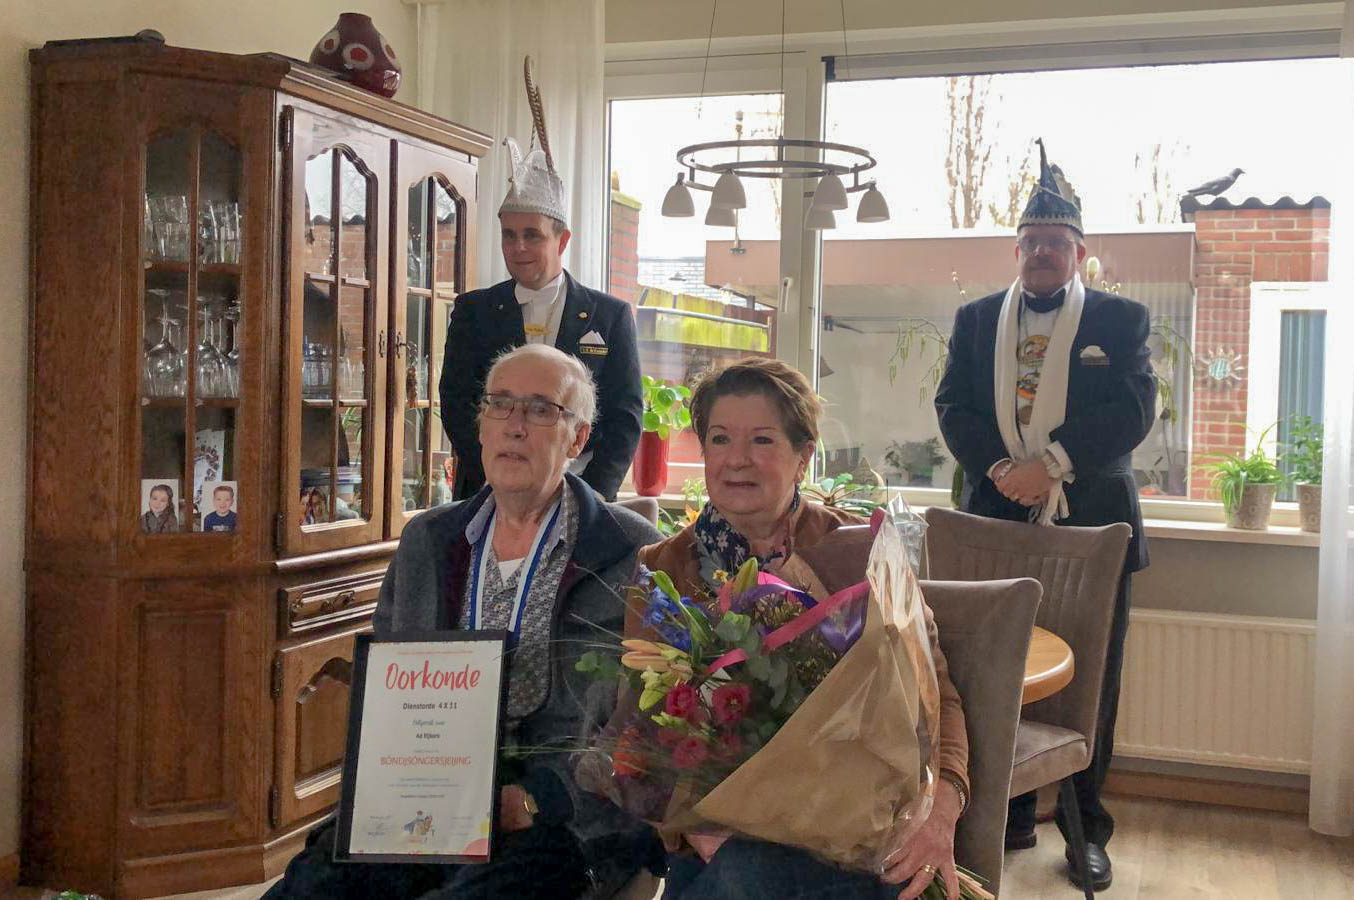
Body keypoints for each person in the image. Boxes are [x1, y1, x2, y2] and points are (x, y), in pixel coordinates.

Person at [266, 344, 662, 900]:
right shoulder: (428, 540)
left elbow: (646, 727)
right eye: (500, 404)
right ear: (480, 425)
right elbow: (384, 696)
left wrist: (538, 801)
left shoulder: (631, 552)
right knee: (310, 887)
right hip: (425, 796)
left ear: (578, 438)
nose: (515, 425)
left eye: (540, 409)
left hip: (557, 816)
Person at [634, 358, 971, 900]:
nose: (737, 459)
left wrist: (942, 811)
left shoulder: (860, 553)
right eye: (720, 439)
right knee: (745, 874)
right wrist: (696, 829)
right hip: (723, 837)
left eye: (762, 440)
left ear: (804, 456)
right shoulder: (662, 570)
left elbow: (935, 698)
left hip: (857, 826)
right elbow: (637, 731)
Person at [933, 140, 1155, 892]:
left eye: (1056, 243)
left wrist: (1051, 464)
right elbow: (952, 406)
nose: (1042, 253)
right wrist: (1004, 471)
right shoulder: (975, 320)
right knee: (993, 667)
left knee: (1091, 679)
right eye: (1031, 242)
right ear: (1016, 250)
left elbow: (1132, 410)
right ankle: (1011, 812)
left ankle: (1087, 829)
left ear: (1079, 253)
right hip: (993, 519)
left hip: (1090, 524)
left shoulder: (1120, 320)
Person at [440, 58, 641, 502]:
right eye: (508, 235)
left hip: (581, 494)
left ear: (562, 240)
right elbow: (457, 403)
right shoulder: (474, 311)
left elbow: (624, 416)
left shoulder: (609, 316)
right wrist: (498, 476)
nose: (518, 247)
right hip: (488, 492)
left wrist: (592, 496)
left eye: (532, 235)